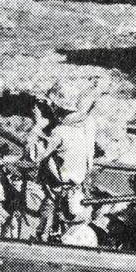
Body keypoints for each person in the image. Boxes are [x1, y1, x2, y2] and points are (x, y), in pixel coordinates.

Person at [28, 84, 98, 242]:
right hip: (77, 195)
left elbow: (33, 155)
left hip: (58, 197)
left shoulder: (60, 132)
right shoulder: (87, 124)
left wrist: (37, 125)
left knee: (42, 235)